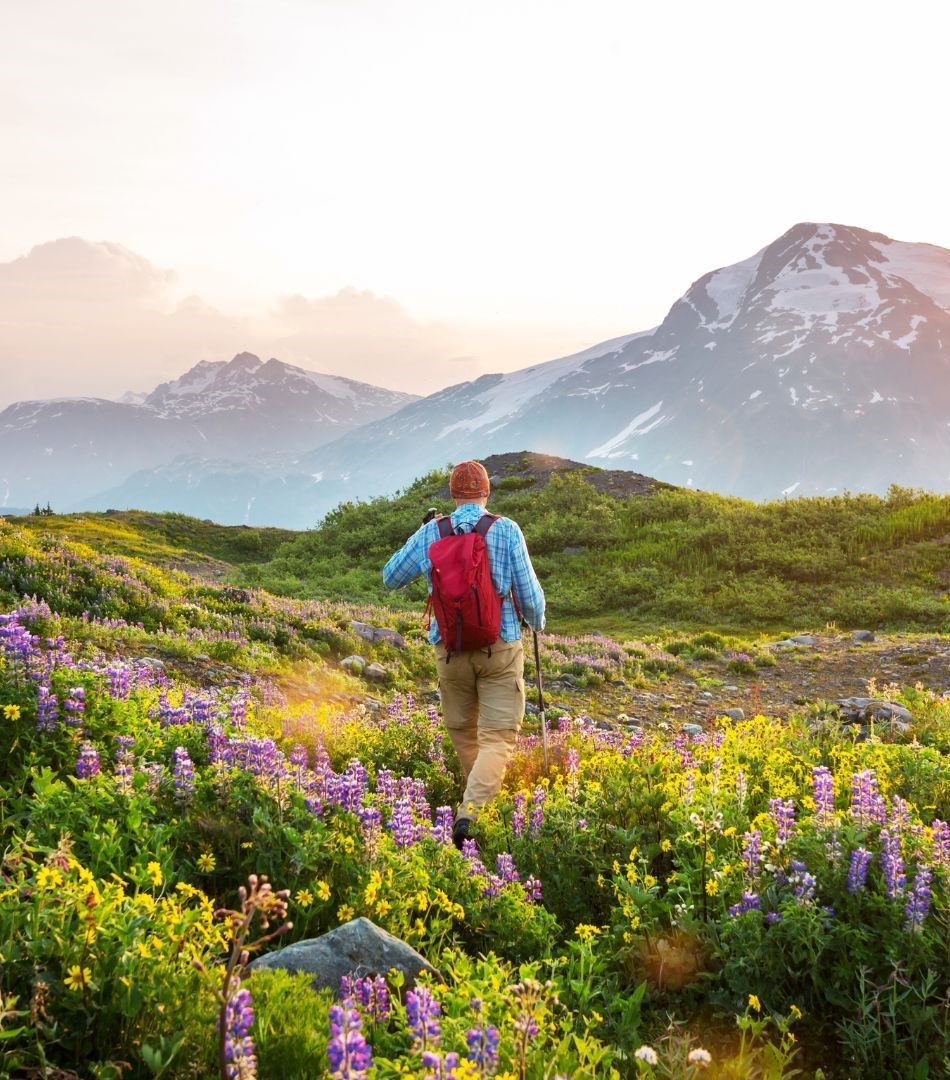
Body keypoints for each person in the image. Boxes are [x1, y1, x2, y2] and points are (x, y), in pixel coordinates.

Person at [382, 459, 545, 848]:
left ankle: (477, 812)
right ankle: (472, 815)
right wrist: (537, 621)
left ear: (454, 495)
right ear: (486, 492)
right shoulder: (505, 530)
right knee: (498, 738)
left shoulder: (431, 532)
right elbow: (530, 597)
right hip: (499, 649)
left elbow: (390, 577)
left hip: (449, 651)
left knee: (463, 733)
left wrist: (420, 535)